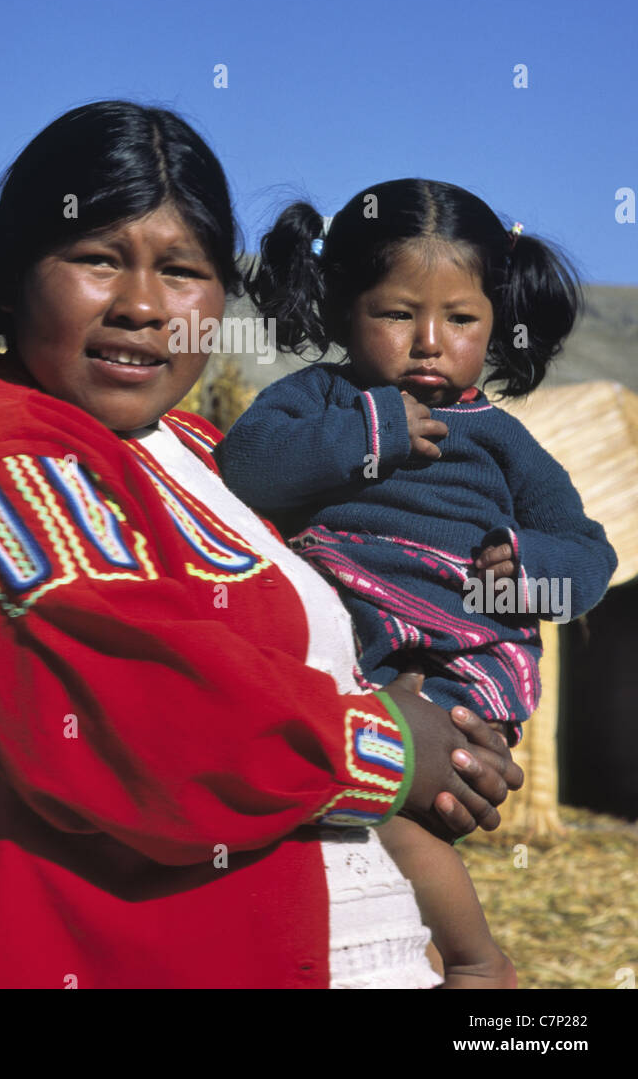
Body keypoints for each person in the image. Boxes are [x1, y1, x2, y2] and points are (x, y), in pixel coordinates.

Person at [0, 113, 522, 990]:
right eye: (98, 259)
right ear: (14, 280)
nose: (145, 307)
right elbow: (149, 719)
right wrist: (388, 746)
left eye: (184, 271)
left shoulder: (195, 453)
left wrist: (451, 737)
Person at [216, 181, 617, 988]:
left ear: (496, 322)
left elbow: (589, 556)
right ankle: (429, 956)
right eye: (398, 314)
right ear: (341, 311)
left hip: (459, 656)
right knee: (369, 834)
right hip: (350, 657)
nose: (429, 342)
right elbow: (245, 471)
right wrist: (369, 433)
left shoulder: (501, 440)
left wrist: (532, 569)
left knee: (394, 823)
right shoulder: (319, 400)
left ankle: (477, 962)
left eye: (460, 320)